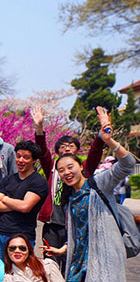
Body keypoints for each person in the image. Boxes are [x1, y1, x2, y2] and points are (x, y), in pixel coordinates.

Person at [43, 107, 132, 282]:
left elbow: (127, 164)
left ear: (80, 167)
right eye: (61, 170)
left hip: (96, 258)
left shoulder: (98, 183)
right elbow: (81, 232)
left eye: (70, 167)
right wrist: (64, 249)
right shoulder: (71, 197)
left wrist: (108, 141)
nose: (66, 172)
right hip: (78, 257)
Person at [32, 106, 104, 269]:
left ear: (77, 151)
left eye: (70, 146)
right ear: (57, 151)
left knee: (73, 261)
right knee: (50, 262)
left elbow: (95, 153)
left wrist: (101, 134)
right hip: (52, 224)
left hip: (74, 222)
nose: (66, 149)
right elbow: (42, 150)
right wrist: (39, 127)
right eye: (62, 147)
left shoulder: (83, 169)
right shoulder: (51, 168)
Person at [0, 141, 48, 260]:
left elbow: (25, 207)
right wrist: (19, 204)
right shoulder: (9, 179)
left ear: (34, 160)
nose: (20, 160)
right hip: (0, 233)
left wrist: (5, 198)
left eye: (26, 157)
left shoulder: (38, 182)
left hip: (23, 236)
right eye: (18, 156)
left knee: (20, 274)